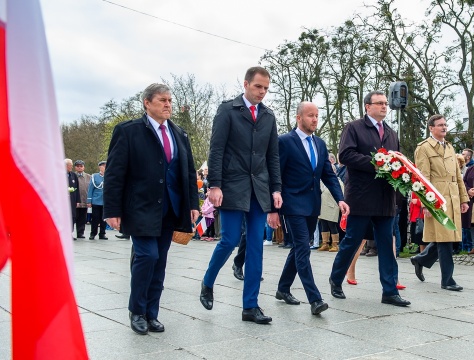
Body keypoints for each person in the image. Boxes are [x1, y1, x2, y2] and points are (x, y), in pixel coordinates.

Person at [103, 83, 200, 335]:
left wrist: (192, 204)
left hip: (170, 208)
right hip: (140, 207)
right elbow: (114, 173)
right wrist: (112, 209)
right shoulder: (128, 131)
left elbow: (187, 172)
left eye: (169, 100)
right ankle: (137, 311)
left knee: (160, 262)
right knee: (147, 256)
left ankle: (151, 313)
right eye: (162, 100)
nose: (168, 104)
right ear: (147, 103)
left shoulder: (180, 133)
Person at [200, 66, 282, 324]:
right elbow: (216, 149)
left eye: (266, 88)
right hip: (232, 187)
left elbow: (273, 156)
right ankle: (207, 282)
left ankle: (250, 306)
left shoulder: (268, 116)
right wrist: (214, 185)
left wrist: (276, 188)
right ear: (246, 84)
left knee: (256, 245)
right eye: (258, 86)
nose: (262, 92)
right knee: (230, 239)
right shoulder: (228, 110)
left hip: (260, 190)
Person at [329, 90, 410, 306]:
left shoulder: (391, 133)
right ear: (367, 106)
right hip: (362, 196)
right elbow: (345, 155)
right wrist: (377, 163)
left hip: (385, 199)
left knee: (386, 245)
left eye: (385, 103)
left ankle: (390, 291)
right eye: (380, 103)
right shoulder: (354, 128)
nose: (384, 106)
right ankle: (336, 280)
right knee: (352, 241)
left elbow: (398, 162)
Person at [271, 101, 349, 315]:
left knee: (299, 247)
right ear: (299, 118)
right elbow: (276, 174)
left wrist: (340, 199)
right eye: (310, 115)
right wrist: (274, 208)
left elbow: (328, 175)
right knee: (303, 249)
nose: (315, 119)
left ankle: (282, 288)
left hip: (313, 204)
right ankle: (315, 299)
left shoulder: (320, 144)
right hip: (292, 204)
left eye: (317, 115)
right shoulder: (285, 142)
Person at [410, 114, 469, 291]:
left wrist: (464, 198)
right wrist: (426, 203)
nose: (444, 127)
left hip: (453, 197)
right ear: (431, 128)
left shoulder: (450, 147)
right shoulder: (424, 148)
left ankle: (420, 259)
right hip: (436, 198)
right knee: (445, 240)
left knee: (448, 237)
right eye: (440, 125)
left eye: (445, 124)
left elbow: (458, 176)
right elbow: (423, 177)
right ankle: (447, 280)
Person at [87, 161, 108, 240]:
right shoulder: (95, 176)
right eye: (103, 166)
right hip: (96, 200)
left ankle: (102, 233)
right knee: (95, 218)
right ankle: (93, 233)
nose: (105, 167)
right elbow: (90, 189)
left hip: (105, 201)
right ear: (100, 167)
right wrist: (89, 201)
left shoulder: (109, 176)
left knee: (104, 219)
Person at [74, 160, 91, 239]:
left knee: (82, 218)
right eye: (78, 166)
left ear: (84, 167)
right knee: (74, 217)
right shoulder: (73, 175)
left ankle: (80, 233)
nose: (79, 168)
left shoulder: (89, 176)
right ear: (75, 167)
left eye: (81, 166)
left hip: (85, 201)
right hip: (75, 201)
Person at [65, 159, 79, 240]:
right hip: (63, 200)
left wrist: (78, 200)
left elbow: (77, 188)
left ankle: (70, 233)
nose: (72, 167)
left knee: (72, 217)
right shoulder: (59, 174)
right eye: (70, 165)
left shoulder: (73, 175)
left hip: (72, 200)